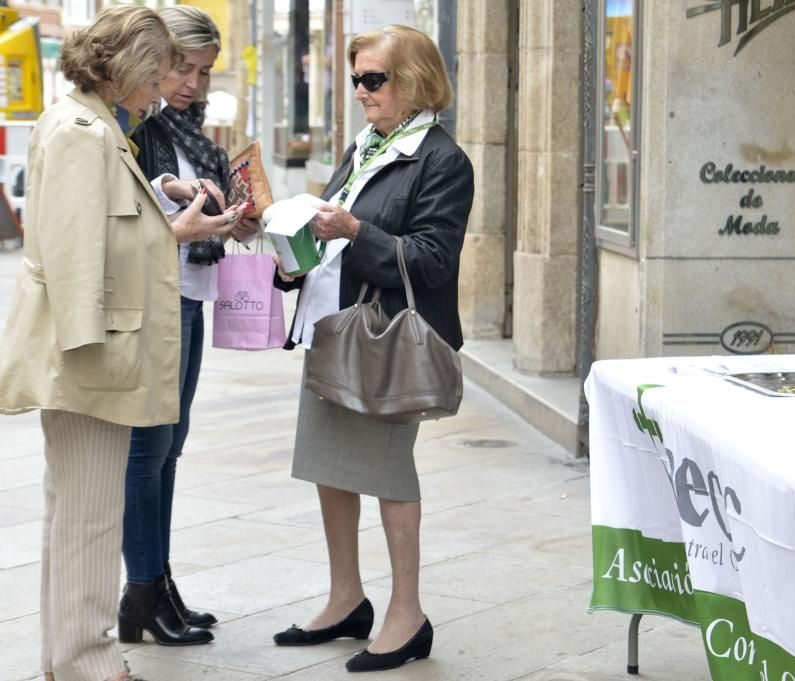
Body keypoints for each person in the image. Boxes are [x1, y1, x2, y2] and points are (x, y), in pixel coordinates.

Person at [0, 6, 241, 681]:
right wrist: (176, 236)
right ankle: (88, 658)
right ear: (131, 67)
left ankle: (66, 652)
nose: (164, 90)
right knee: (91, 516)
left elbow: (102, 229)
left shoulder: (92, 122)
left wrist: (163, 204)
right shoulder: (84, 131)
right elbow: (82, 256)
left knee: (75, 513)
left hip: (88, 350)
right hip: (91, 354)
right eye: (160, 75)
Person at [271, 24, 474, 673]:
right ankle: (345, 598)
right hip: (336, 329)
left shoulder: (442, 160)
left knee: (387, 473)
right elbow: (327, 234)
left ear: (415, 81)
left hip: (389, 340)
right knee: (330, 464)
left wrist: (357, 229)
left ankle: (407, 614)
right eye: (356, 78)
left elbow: (434, 261)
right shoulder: (367, 146)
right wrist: (287, 246)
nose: (360, 91)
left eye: (373, 79)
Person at [117, 4, 254, 647]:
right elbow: (141, 206)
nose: (193, 85)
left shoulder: (194, 130)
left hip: (191, 297)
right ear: (154, 60)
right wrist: (180, 201)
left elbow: (202, 205)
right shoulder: (135, 125)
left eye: (203, 72)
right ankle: (141, 592)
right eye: (182, 69)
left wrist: (240, 217)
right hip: (154, 301)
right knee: (146, 455)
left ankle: (158, 584)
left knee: (169, 453)